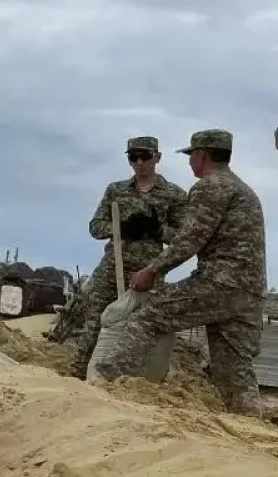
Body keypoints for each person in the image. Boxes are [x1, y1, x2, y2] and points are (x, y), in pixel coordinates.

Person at [93, 130, 266, 415]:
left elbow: (190, 239)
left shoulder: (210, 186)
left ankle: (108, 387)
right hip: (250, 293)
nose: (189, 162)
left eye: (191, 155)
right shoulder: (244, 190)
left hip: (219, 283)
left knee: (146, 317)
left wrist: (152, 269)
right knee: (234, 369)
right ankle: (249, 429)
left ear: (204, 155)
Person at [67, 137, 188, 378]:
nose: (139, 162)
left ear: (157, 157)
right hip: (114, 265)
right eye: (133, 157)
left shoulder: (174, 195)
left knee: (142, 324)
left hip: (149, 269)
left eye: (145, 157)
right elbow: (95, 227)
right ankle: (79, 374)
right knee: (96, 319)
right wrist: (120, 227)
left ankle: (133, 380)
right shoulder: (116, 190)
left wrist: (157, 230)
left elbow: (185, 236)